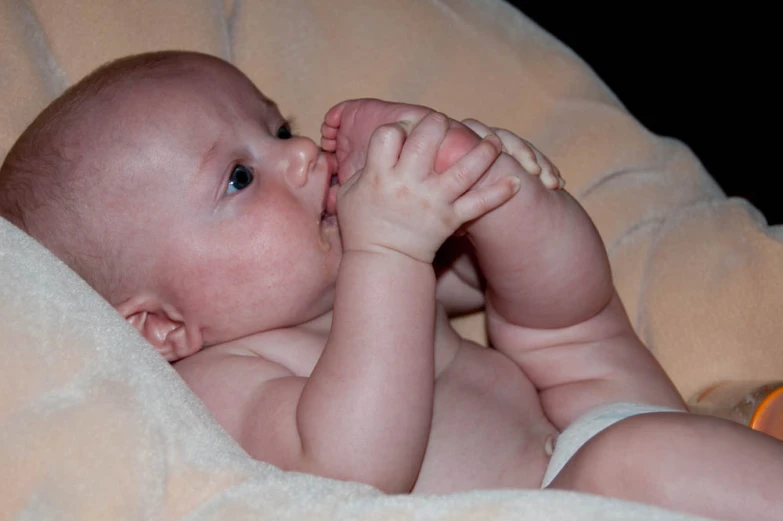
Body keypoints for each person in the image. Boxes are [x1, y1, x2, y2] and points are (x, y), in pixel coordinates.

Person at [1, 50, 781, 521]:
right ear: (161, 326)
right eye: (239, 177)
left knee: (557, 322)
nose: (303, 155)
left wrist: (482, 185)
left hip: (597, 415)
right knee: (633, 457)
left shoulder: (358, 270)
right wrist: (391, 253)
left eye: (277, 129)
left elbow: (549, 299)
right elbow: (354, 469)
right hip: (560, 496)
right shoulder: (220, 380)